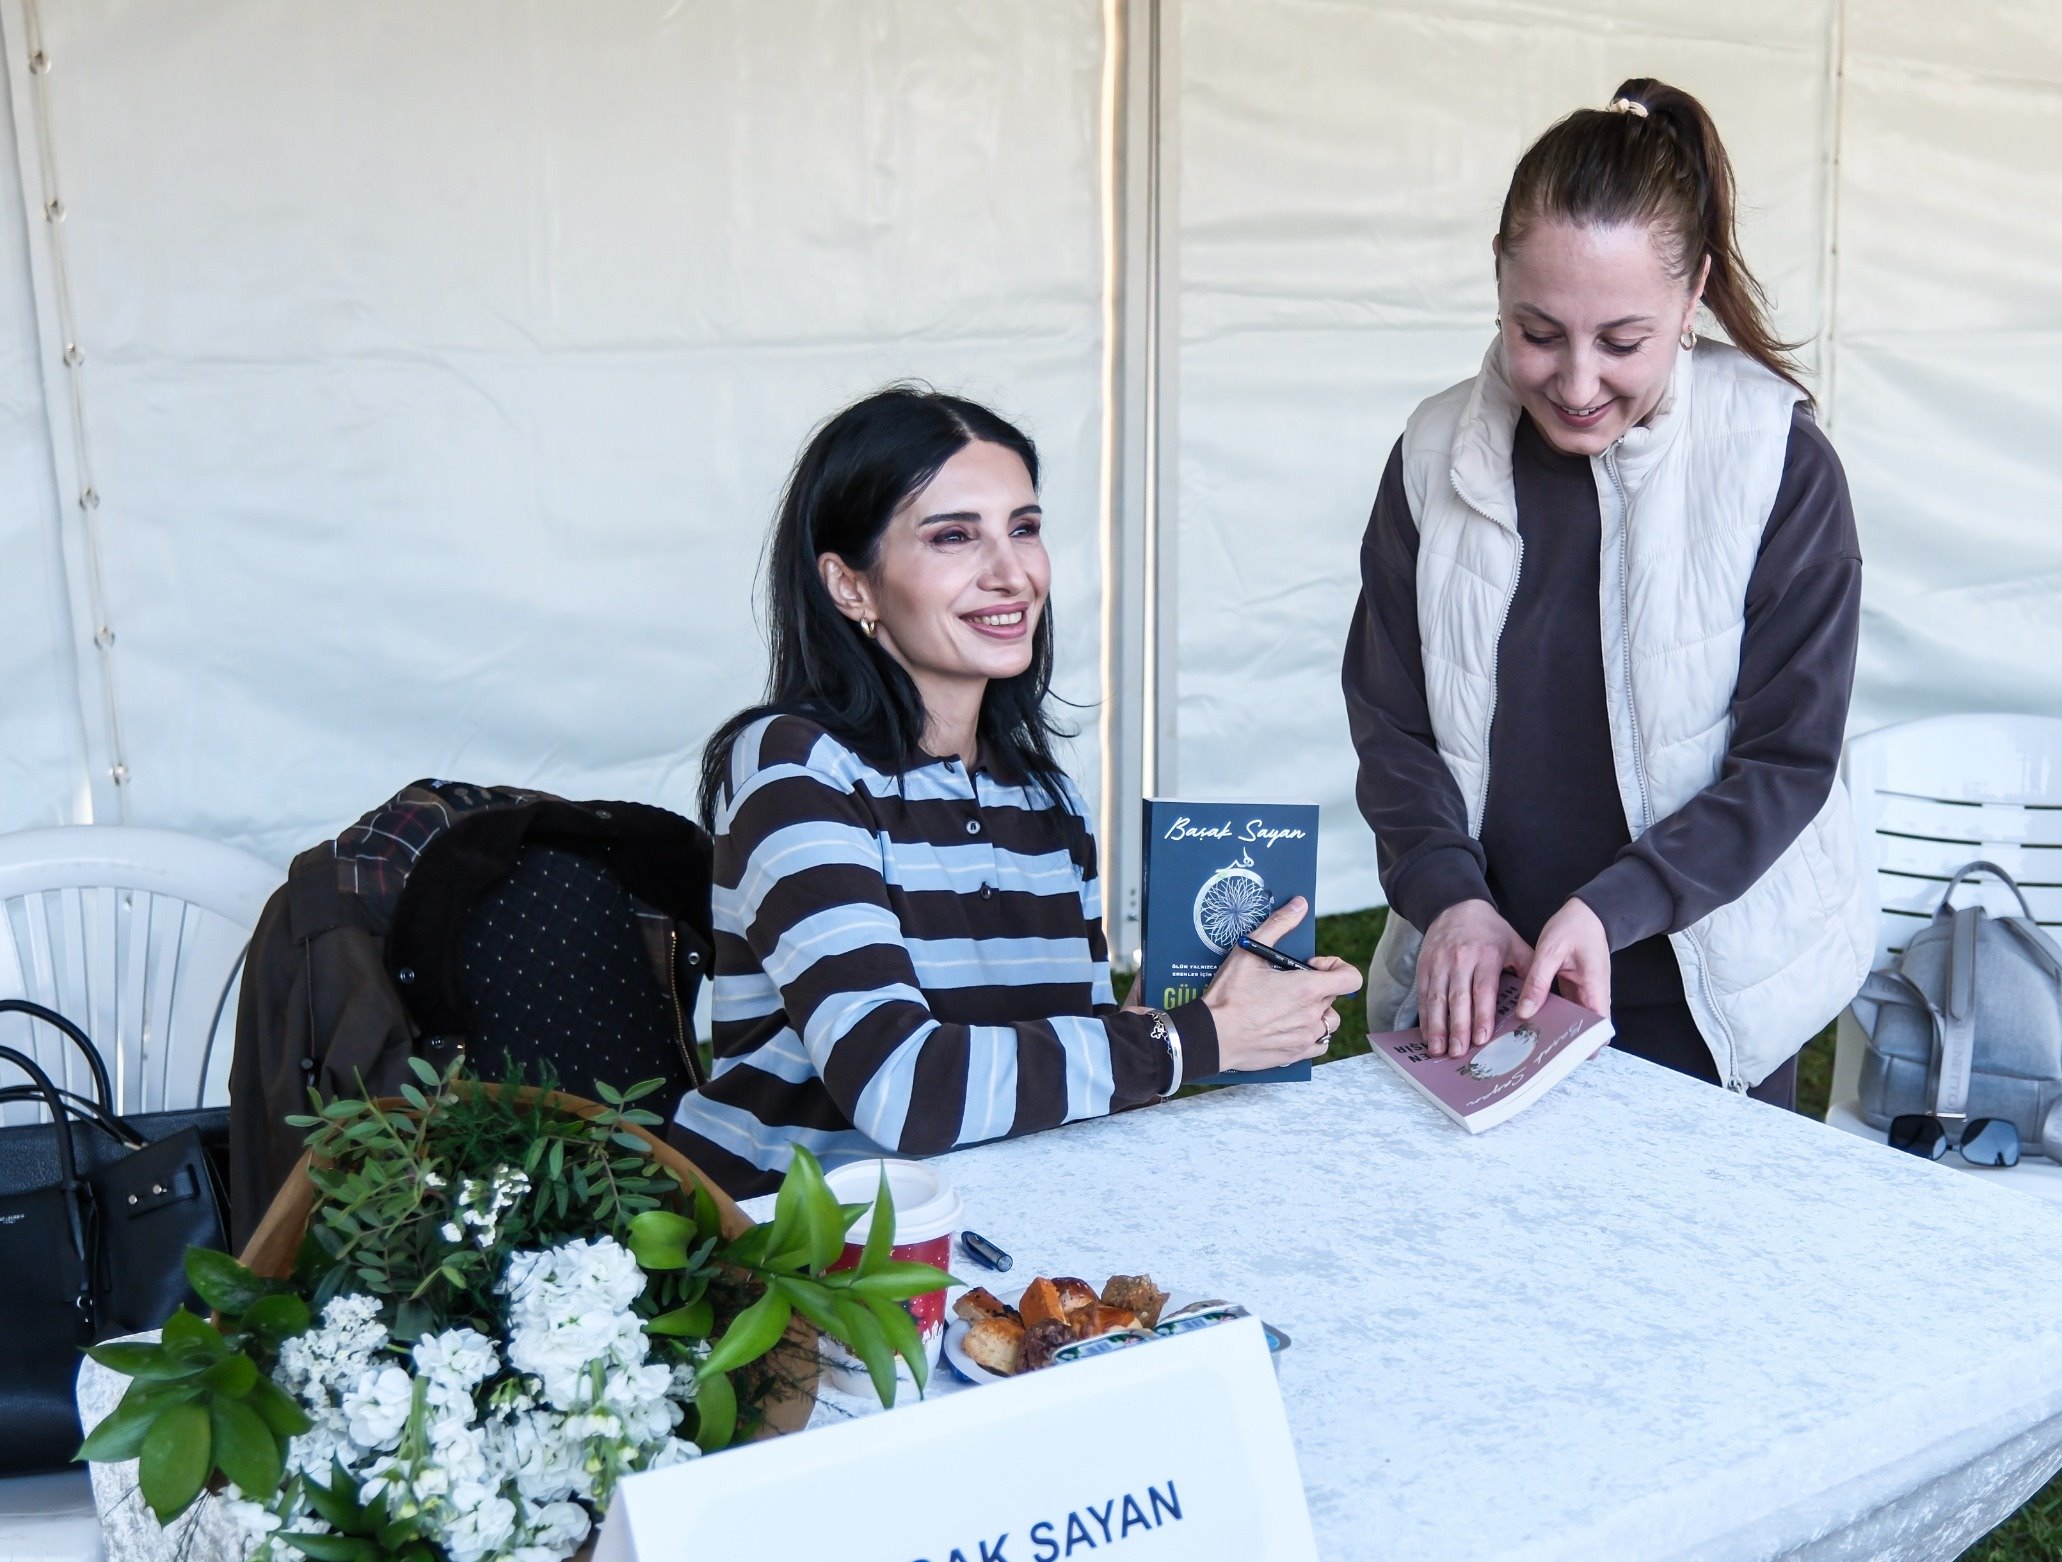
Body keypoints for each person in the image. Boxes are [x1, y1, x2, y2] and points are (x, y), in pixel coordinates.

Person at [672, 386, 1359, 1191]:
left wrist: (1195, 1015)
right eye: (954, 536)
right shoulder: (796, 767)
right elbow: (901, 1087)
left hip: (1009, 1214)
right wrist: (1190, 1041)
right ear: (850, 585)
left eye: (1024, 528)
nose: (1012, 574)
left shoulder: (1043, 797)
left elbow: (1056, 1068)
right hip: (809, 1235)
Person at [1342, 77, 1874, 1107]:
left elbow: (1787, 761)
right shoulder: (1431, 453)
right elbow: (1391, 723)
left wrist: (1614, 907)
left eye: (1622, 342)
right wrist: (1449, 899)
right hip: (1483, 983)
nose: (1578, 383)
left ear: (1693, 294)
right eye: (1537, 333)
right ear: (1498, 282)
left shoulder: (1776, 462)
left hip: (1704, 1000)